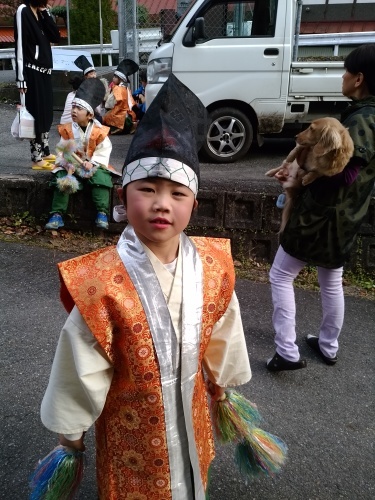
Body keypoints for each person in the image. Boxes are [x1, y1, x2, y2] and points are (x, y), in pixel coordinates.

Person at [40, 74, 252, 499]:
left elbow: (222, 332)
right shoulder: (100, 281)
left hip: (193, 418)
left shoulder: (212, 267)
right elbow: (81, 365)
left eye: (177, 193)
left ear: (195, 201)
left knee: (192, 482)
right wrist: (71, 433)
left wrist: (222, 388)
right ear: (123, 194)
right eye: (147, 189)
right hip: (131, 432)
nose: (161, 203)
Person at [266, 44, 375, 372]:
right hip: (348, 217)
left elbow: (343, 173)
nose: (342, 76)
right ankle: (328, 345)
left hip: (321, 215)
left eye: (346, 71)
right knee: (331, 279)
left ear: (358, 79)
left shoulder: (362, 121)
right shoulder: (366, 116)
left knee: (281, 274)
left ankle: (286, 351)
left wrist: (299, 182)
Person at [45, 78, 120, 231]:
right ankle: (56, 215)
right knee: (61, 179)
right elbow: (62, 150)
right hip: (73, 164)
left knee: (101, 179)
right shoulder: (66, 129)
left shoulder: (99, 132)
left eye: (79, 108)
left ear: (90, 115)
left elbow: (103, 150)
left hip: (93, 164)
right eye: (73, 107)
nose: (74, 110)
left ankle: (102, 213)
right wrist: (68, 164)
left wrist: (93, 162)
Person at [14, 0, 60, 170]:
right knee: (36, 115)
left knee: (47, 113)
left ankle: (45, 151)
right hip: (32, 72)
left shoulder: (40, 13)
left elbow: (55, 36)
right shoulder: (23, 11)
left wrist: (46, 13)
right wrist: (21, 78)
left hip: (45, 72)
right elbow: (19, 45)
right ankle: (36, 156)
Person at [103, 58, 138, 135]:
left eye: (115, 77)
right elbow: (131, 103)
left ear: (120, 79)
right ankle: (132, 125)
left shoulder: (116, 88)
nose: (113, 79)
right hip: (128, 115)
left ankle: (116, 128)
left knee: (105, 118)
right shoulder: (126, 88)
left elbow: (109, 104)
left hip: (118, 114)